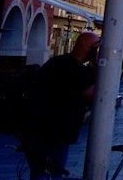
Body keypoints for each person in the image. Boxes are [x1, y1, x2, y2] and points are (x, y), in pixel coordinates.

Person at [20, 31, 100, 180]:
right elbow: (93, 96)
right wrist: (98, 66)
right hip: (56, 129)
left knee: (39, 171)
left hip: (35, 125)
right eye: (96, 47)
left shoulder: (57, 61)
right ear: (87, 47)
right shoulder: (78, 70)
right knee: (53, 172)